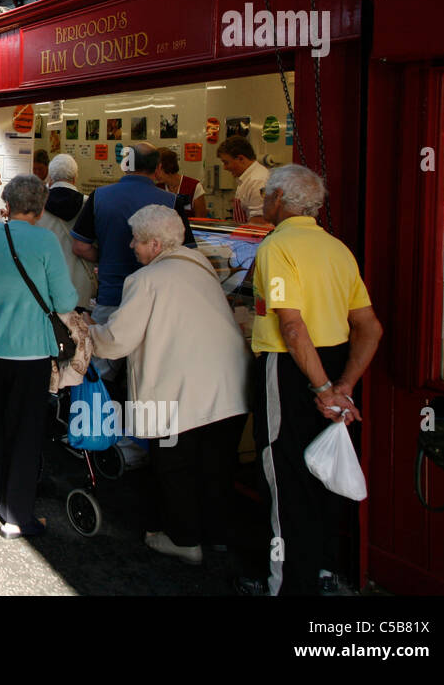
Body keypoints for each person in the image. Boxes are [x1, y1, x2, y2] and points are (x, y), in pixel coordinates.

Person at [236, 165, 382, 596]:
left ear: (280, 199)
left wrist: (321, 389)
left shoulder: (277, 247)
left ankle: (286, 585)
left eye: (267, 193)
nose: (263, 199)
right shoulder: (337, 249)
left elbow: (293, 327)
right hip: (335, 362)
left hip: (291, 367)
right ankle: (319, 570)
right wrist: (344, 386)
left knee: (284, 477)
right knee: (321, 472)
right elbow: (370, 328)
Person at [86, 205, 250, 564]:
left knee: (174, 467)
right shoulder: (200, 264)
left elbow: (117, 340)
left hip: (178, 392)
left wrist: (87, 333)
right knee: (216, 465)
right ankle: (217, 534)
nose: (131, 246)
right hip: (227, 384)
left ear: (156, 245)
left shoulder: (145, 280)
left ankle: (184, 539)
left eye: (137, 241)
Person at [0, 174, 78, 538]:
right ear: (41, 208)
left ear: (6, 206)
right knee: (25, 433)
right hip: (30, 354)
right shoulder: (45, 241)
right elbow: (65, 302)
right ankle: (15, 516)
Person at [71, 142, 191, 383]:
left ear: (125, 165)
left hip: (111, 297)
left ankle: (104, 417)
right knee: (149, 373)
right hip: (161, 303)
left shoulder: (99, 197)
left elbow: (80, 245)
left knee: (103, 371)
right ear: (158, 169)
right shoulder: (172, 201)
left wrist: (106, 258)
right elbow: (185, 254)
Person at [35, 154, 97, 311]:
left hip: (44, 289)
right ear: (75, 178)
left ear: (50, 177)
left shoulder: (35, 207)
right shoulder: (90, 205)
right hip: (80, 290)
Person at [216, 136, 270, 223]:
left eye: (226, 163)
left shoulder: (258, 181)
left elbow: (259, 222)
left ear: (241, 159)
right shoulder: (245, 179)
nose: (225, 168)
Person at [154, 147, 208, 221]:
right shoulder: (157, 188)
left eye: (156, 169)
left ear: (167, 166)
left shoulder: (194, 186)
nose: (154, 174)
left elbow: (201, 220)